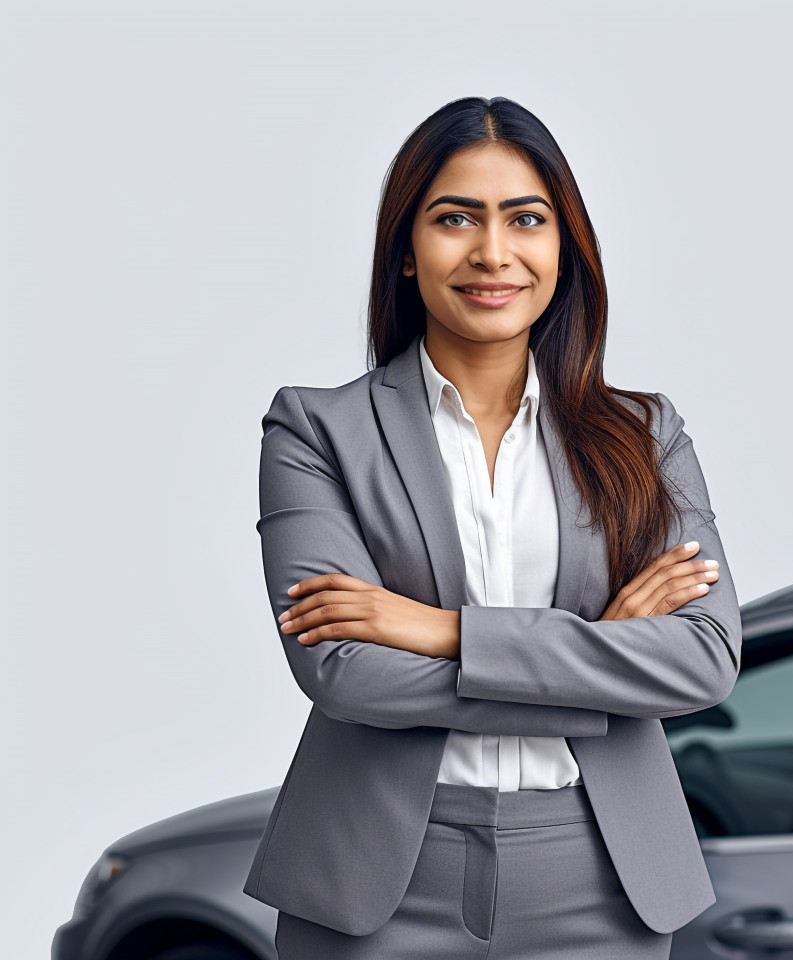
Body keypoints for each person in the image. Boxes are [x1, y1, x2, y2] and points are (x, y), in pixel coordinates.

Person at [242, 95, 742, 960]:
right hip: (377, 884)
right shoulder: (316, 430)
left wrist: (438, 632)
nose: (493, 252)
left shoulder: (645, 436)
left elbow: (703, 657)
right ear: (406, 249)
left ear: (563, 246)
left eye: (526, 219)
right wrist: (598, 661)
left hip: (603, 881)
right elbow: (346, 674)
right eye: (455, 219)